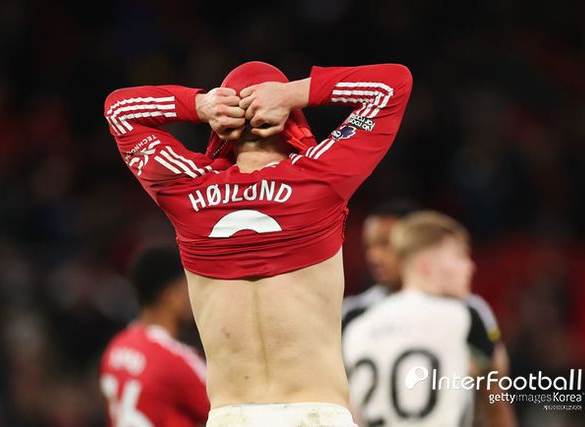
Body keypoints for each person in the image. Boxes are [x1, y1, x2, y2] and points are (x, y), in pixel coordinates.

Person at [103, 61, 413, 426]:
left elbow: (119, 110)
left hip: (231, 416)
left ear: (224, 128)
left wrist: (201, 105)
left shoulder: (187, 191)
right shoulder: (321, 179)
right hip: (316, 414)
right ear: (291, 122)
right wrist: (293, 94)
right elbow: (392, 85)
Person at [343, 211, 516, 427]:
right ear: (427, 265)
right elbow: (495, 395)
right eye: (460, 256)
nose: (470, 267)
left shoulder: (356, 323)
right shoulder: (464, 316)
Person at [99, 248, 209, 427]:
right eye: (186, 286)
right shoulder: (176, 360)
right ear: (171, 296)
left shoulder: (115, 348)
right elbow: (230, 410)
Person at [342, 199, 421, 330]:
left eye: (385, 243)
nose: (374, 257)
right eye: (368, 246)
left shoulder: (452, 308)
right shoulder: (352, 313)